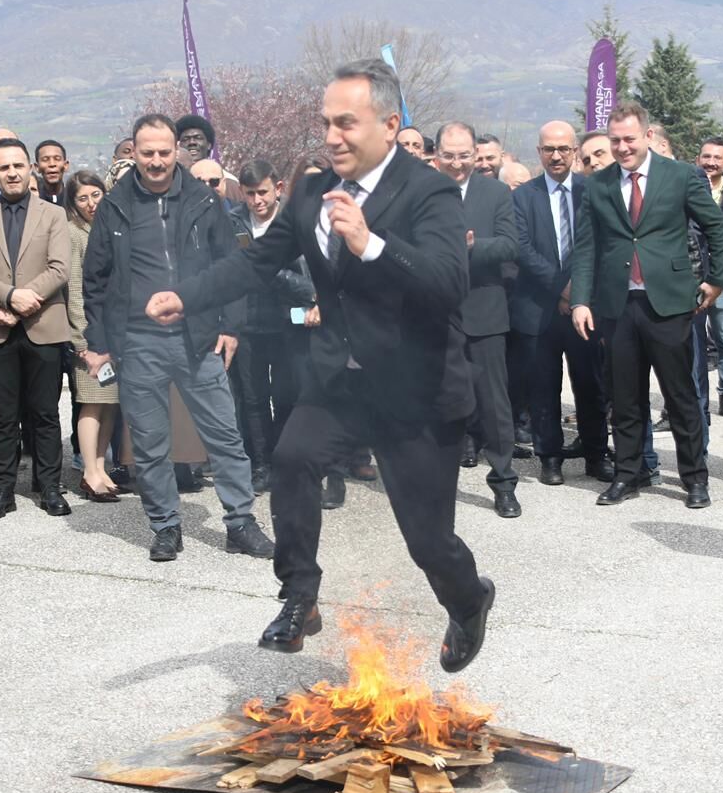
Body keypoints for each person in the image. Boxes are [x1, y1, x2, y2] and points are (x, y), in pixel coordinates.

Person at [143, 59, 496, 673]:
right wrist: (188, 294)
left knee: (427, 541)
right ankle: (299, 595)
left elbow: (449, 281)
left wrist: (372, 245)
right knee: (291, 459)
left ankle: (469, 600)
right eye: (326, 122)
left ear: (389, 125)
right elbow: (254, 263)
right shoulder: (308, 190)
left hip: (418, 392)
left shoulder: (428, 189)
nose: (331, 136)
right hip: (341, 379)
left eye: (346, 123)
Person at [80, 113, 274, 564]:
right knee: (149, 443)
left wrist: (229, 326)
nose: (156, 161)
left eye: (164, 152)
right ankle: (166, 526)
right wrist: (100, 341)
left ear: (177, 152)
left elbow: (233, 268)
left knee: (224, 434)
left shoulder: (205, 201)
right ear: (135, 151)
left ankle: (240, 521)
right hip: (138, 343)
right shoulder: (114, 207)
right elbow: (95, 280)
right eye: (147, 153)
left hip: (197, 336)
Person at [571, 101, 723, 510]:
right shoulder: (598, 184)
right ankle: (629, 474)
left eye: (629, 139)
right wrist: (581, 301)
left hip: (670, 304)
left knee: (680, 396)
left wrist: (716, 280)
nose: (623, 147)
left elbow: (715, 227)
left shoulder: (680, 176)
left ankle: (695, 478)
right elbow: (586, 246)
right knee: (624, 397)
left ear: (647, 137)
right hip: (618, 305)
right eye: (616, 140)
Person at [0, 138, 72, 520]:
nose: (12, 172)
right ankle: (2, 490)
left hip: (44, 323)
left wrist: (25, 302)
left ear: (30, 169)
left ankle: (49, 487)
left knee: (45, 412)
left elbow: (60, 268)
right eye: (4, 167)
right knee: (4, 415)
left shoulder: (53, 215)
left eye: (18, 165)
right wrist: (9, 298)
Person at [511, 121, 610, 487]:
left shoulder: (593, 191)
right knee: (543, 387)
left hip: (585, 310)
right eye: (549, 149)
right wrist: (564, 290)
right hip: (538, 310)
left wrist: (580, 293)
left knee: (591, 385)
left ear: (575, 152)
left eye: (563, 149)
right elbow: (523, 249)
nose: (556, 155)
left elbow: (601, 247)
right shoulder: (523, 196)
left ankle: (596, 455)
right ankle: (549, 457)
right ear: (538, 152)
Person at [434, 122, 522, 517]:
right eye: (449, 155)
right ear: (437, 155)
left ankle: (503, 482)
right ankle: (436, 484)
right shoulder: (419, 191)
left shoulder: (496, 192)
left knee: (494, 404)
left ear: (476, 153)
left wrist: (471, 247)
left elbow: (509, 243)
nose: (457, 164)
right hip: (433, 315)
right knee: (437, 403)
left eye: (464, 155)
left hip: (485, 312)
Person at [224, 158, 316, 495]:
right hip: (247, 323)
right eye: (249, 194)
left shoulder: (296, 219)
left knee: (288, 395)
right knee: (253, 398)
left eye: (262, 192)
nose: (256, 201)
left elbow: (308, 278)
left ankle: (285, 460)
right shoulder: (232, 222)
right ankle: (260, 464)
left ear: (277, 188)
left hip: (289, 322)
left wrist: (270, 272)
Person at [64, 170, 126, 500]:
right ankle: (89, 471)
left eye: (95, 194)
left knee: (110, 404)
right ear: (72, 203)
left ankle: (102, 467)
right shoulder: (73, 233)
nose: (90, 203)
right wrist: (82, 340)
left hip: (112, 334)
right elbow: (75, 288)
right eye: (82, 198)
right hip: (89, 337)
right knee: (91, 403)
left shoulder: (109, 227)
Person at [695, 136, 723, 420]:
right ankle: (698, 401)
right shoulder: (688, 185)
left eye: (717, 158)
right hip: (694, 277)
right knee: (695, 343)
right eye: (706, 156)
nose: (711, 162)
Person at [35, 140, 69, 204]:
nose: (52, 164)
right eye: (45, 160)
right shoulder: (32, 202)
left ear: (66, 165)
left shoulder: (75, 200)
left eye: (57, 159)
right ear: (37, 167)